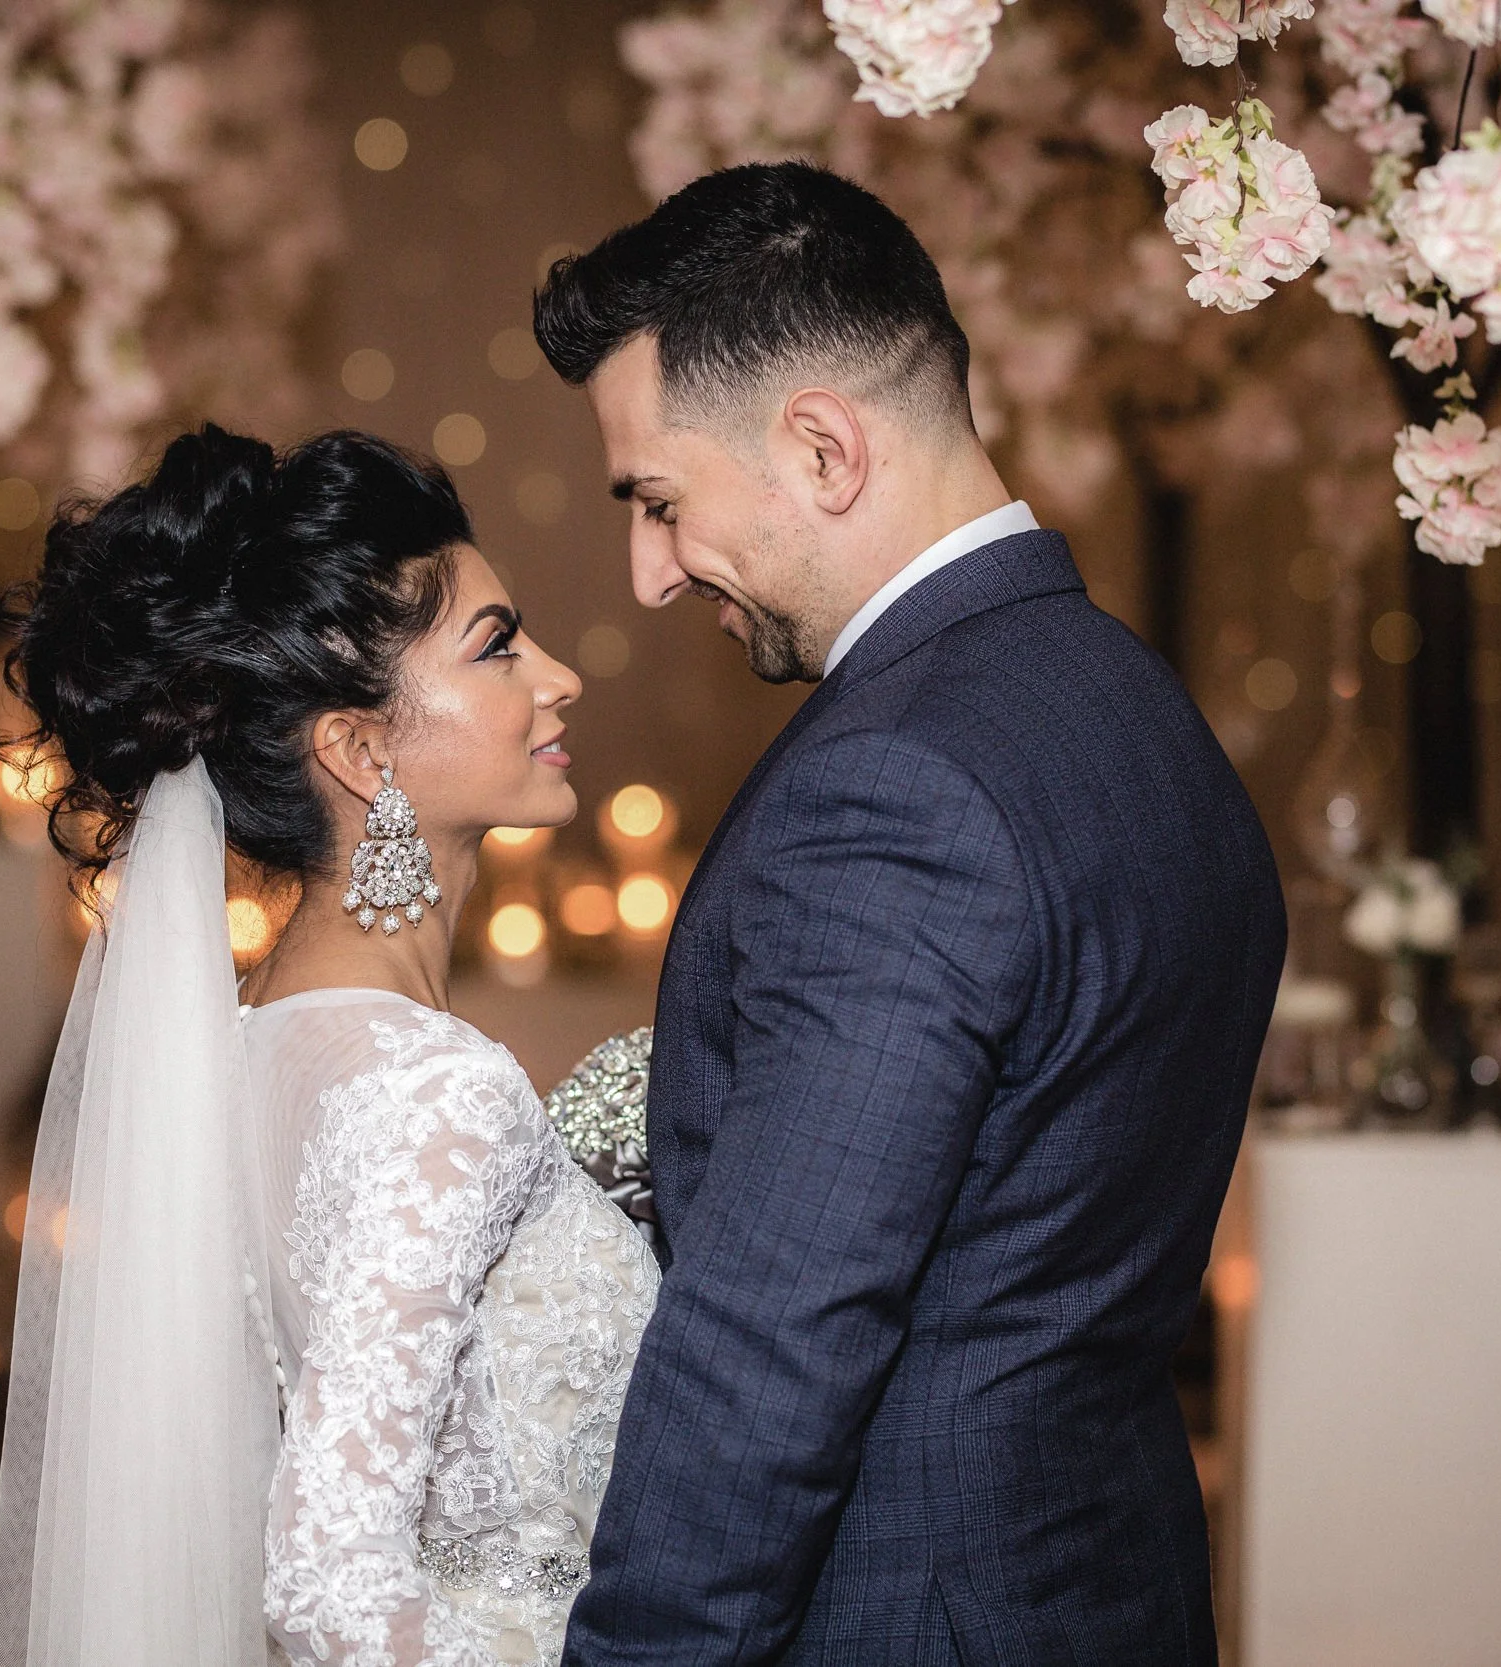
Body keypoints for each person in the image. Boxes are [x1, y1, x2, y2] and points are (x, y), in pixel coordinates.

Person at [533, 162, 1285, 1665]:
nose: (650, 571)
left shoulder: (893, 784)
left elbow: (771, 1348)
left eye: (660, 502)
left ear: (821, 445)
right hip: (1107, 1585)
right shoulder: (1139, 712)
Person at [0, 426, 659, 1667]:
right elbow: (331, 1579)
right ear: (359, 749)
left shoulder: (245, 1055)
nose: (556, 676)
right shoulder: (435, 1089)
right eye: (498, 646)